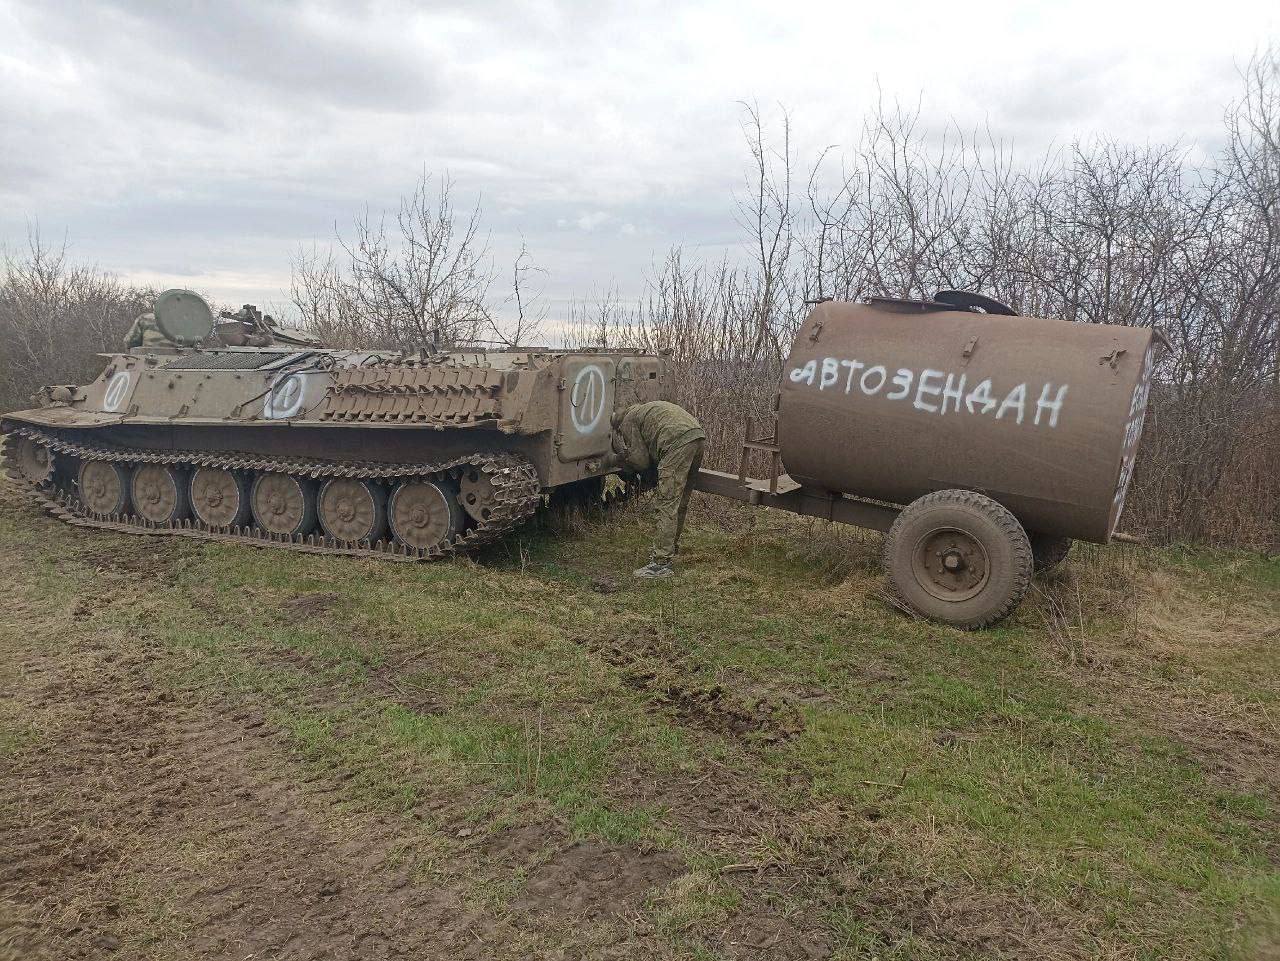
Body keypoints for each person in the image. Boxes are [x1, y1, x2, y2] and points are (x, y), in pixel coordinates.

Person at [601, 400, 706, 578]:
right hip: (697, 437)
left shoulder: (628, 420)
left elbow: (641, 461)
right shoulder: (646, 410)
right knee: (681, 501)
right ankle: (671, 547)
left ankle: (661, 563)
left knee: (667, 503)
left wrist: (615, 460)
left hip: (676, 443)